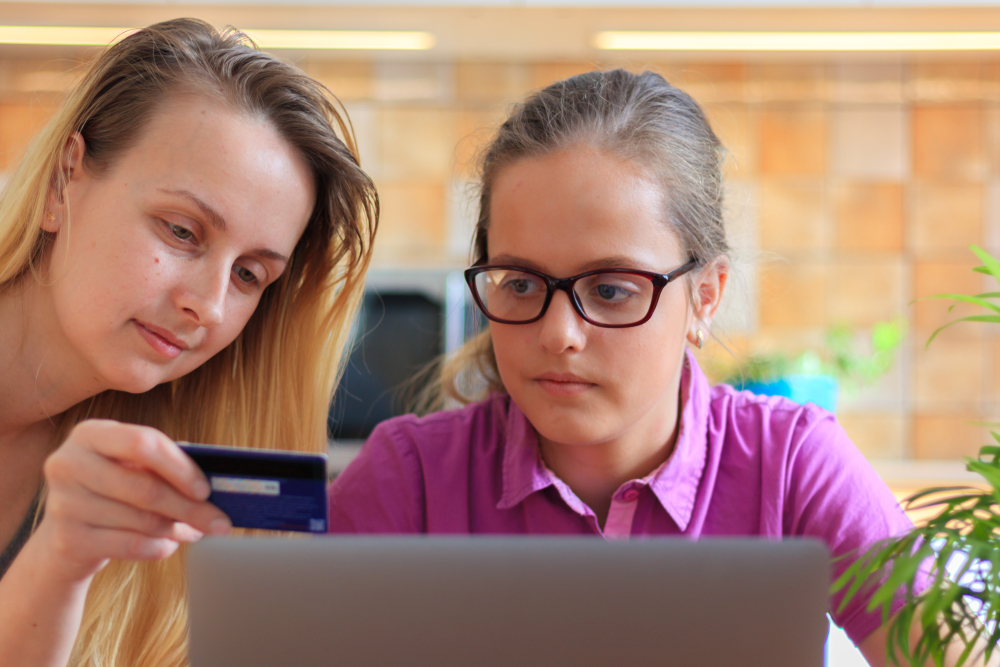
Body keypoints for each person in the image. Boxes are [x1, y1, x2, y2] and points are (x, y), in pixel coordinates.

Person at [328, 69, 943, 666]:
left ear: (705, 296)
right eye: (519, 283)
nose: (558, 334)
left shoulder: (793, 467)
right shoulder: (408, 481)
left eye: (612, 290)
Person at [0, 19, 377, 667]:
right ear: (64, 184)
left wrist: (62, 562)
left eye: (249, 274)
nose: (207, 305)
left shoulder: (147, 481)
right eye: (181, 231)